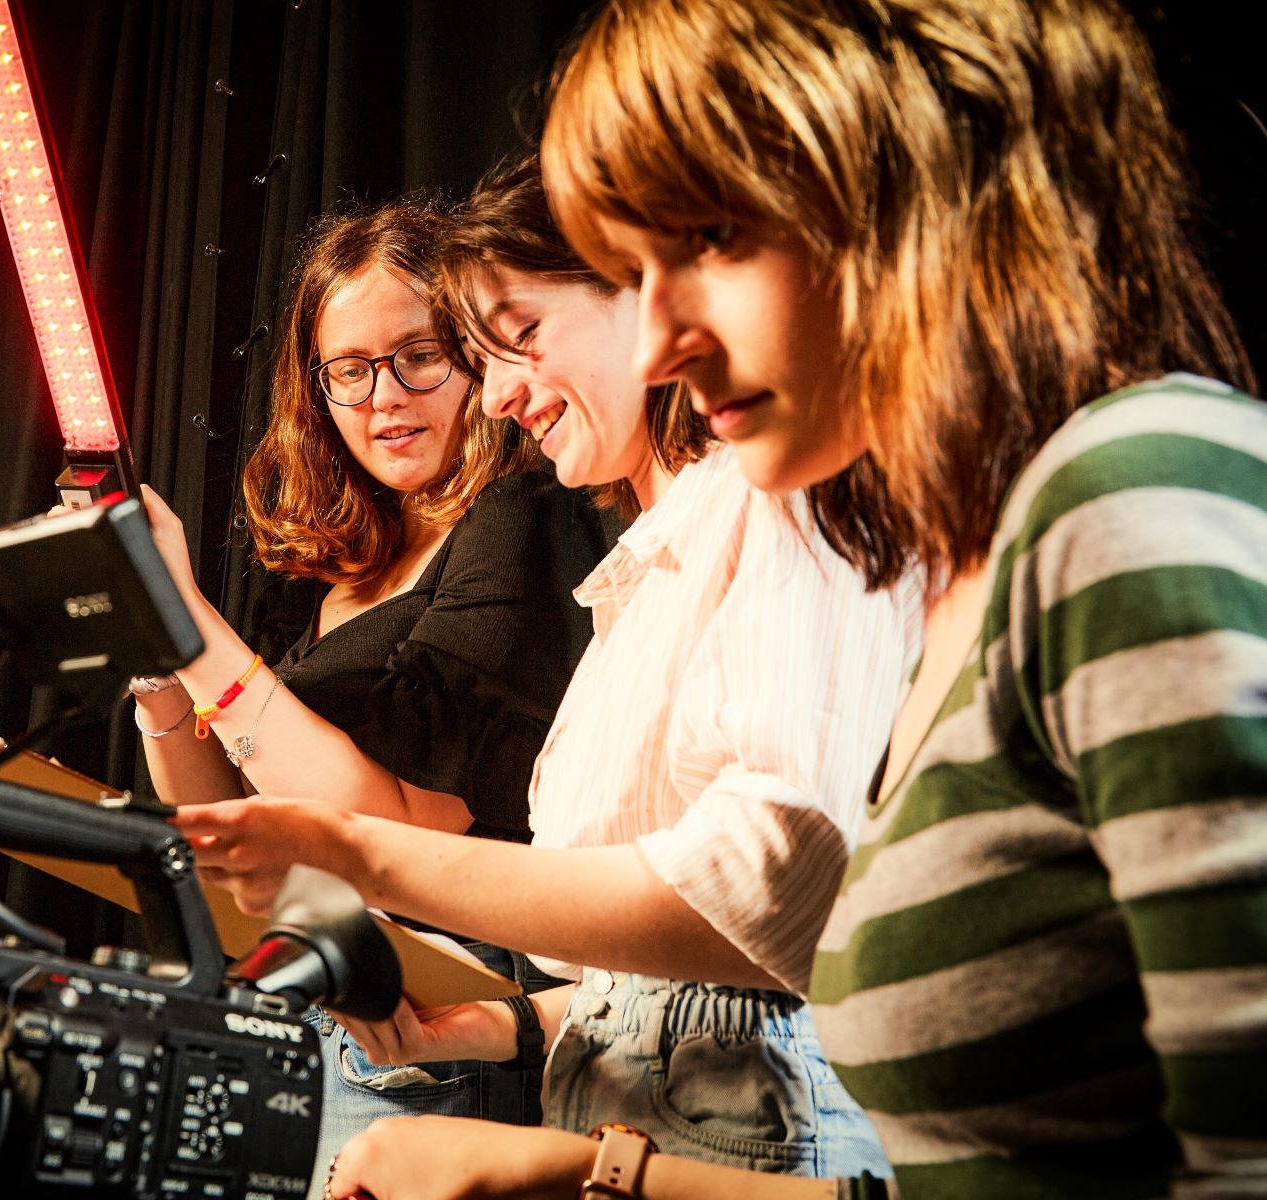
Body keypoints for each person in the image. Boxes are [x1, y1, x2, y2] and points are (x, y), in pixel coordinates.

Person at [324, 1, 1267, 1198]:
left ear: (893, 191)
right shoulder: (977, 581)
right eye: (634, 270)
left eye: (707, 241)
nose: (659, 342)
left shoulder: (1132, 490)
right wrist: (577, 1169)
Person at [176, 154, 921, 1180]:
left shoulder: (773, 502)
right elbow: (658, 971)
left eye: (520, 337)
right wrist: (497, 1026)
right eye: (487, 358)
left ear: (649, 300)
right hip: (628, 1109)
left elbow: (767, 906)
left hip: (741, 1129)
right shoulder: (644, 573)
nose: (502, 395)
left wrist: (363, 855)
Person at [132, 200, 609, 1178]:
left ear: (479, 353)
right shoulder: (343, 571)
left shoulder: (522, 516)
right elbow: (229, 816)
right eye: (348, 370)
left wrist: (195, 629)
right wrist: (164, 682)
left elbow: (403, 824)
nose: (381, 396)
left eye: (416, 356)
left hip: (438, 1034)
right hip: (317, 1014)